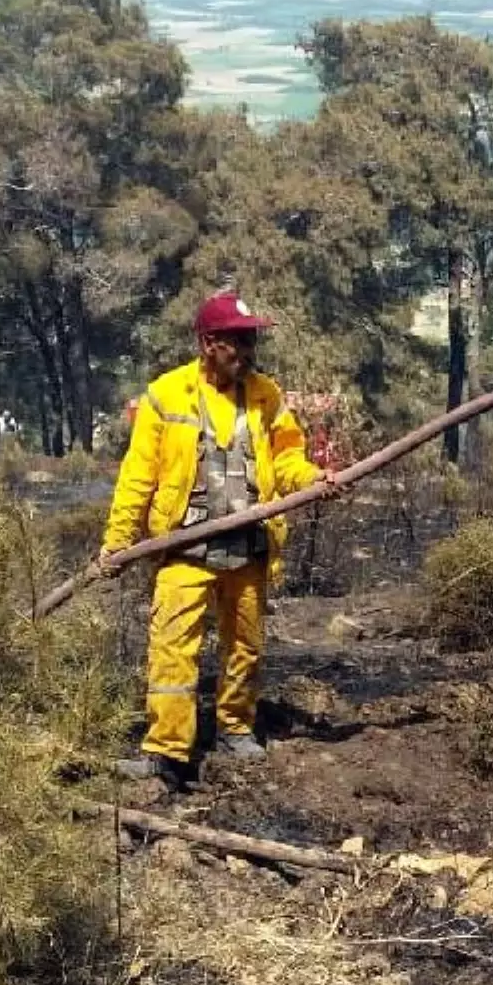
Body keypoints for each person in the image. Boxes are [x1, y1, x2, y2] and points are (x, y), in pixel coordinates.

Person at [100, 292, 338, 788]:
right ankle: (166, 752)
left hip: (249, 544)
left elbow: (288, 458)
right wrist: (118, 540)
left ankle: (235, 730)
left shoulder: (267, 395)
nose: (248, 351)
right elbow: (137, 477)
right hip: (185, 547)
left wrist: (312, 479)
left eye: (251, 340)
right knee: (172, 651)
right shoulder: (166, 395)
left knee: (244, 646)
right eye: (238, 342)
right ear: (209, 343)